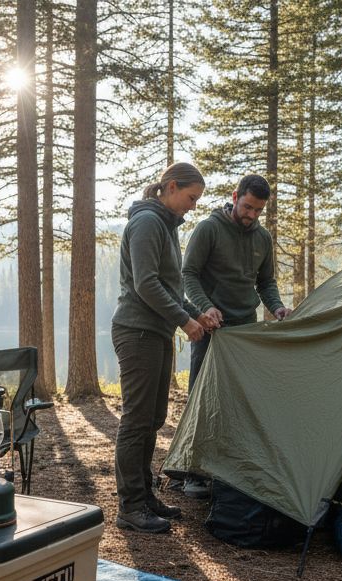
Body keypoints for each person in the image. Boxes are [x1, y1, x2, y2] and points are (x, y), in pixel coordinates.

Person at [111, 161, 219, 534]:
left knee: (153, 418)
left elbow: (170, 287)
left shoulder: (166, 226)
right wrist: (184, 321)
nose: (193, 205)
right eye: (191, 197)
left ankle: (145, 497)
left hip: (155, 332)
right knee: (136, 420)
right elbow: (146, 283)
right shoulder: (146, 222)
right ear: (171, 187)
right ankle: (130, 506)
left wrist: (196, 313)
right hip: (136, 331)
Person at [178, 173, 291, 498]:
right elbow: (188, 274)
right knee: (203, 397)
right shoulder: (209, 229)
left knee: (239, 400)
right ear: (235, 197)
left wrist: (277, 307)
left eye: (258, 210)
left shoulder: (262, 238)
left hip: (245, 329)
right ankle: (192, 472)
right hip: (211, 328)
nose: (251, 215)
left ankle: (230, 469)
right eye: (248, 207)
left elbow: (265, 282)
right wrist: (205, 307)